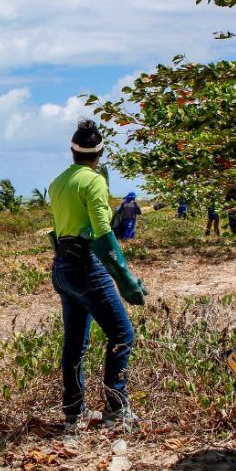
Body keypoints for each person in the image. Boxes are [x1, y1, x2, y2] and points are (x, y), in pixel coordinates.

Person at [48, 119, 147, 431]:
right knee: (122, 334)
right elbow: (103, 235)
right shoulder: (94, 181)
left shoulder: (58, 182)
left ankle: (73, 415)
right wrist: (126, 279)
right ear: (100, 152)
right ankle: (116, 411)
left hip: (62, 267)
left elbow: (60, 229)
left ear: (72, 151)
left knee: (75, 343)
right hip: (86, 265)